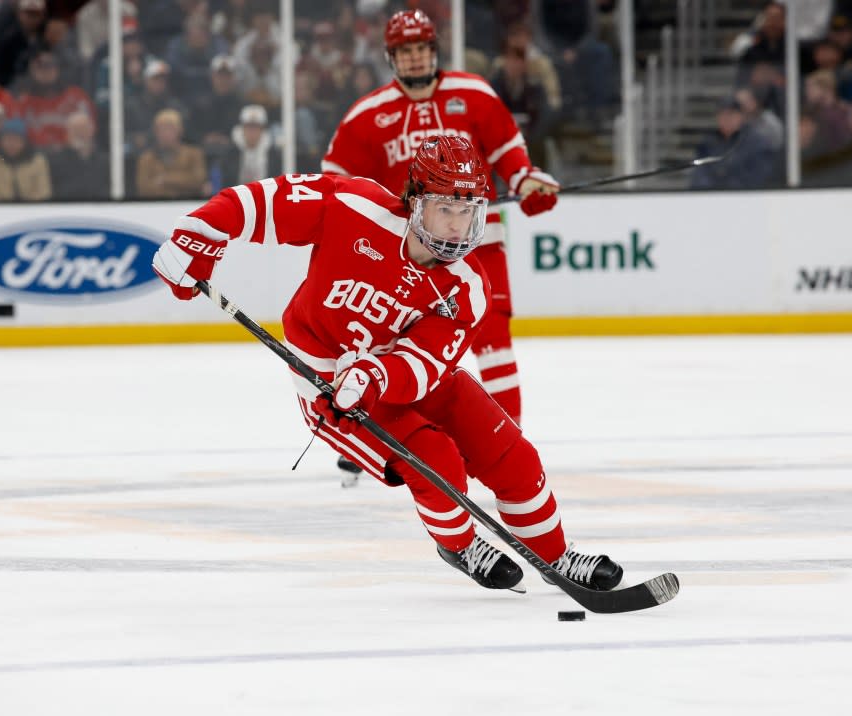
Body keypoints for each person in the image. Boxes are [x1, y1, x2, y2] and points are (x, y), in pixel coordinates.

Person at [150, 135, 623, 594]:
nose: (458, 228)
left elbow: (423, 362)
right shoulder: (353, 207)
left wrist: (376, 374)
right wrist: (202, 231)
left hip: (395, 379)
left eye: (468, 212)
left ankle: (555, 556)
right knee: (437, 461)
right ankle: (460, 546)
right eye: (446, 210)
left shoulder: (467, 286)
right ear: (416, 201)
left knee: (512, 456)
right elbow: (261, 201)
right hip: (329, 387)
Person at [321, 9, 560, 486]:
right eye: (406, 51)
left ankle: (506, 441)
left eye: (422, 49)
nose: (415, 59)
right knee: (389, 346)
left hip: (479, 239)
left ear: (434, 51)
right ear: (392, 58)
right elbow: (336, 183)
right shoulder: (367, 114)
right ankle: (373, 439)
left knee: (493, 342)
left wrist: (526, 179)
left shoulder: (472, 94)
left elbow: (507, 151)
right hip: (406, 252)